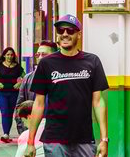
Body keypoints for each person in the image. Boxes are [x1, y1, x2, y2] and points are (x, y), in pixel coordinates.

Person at [25, 16, 109, 157]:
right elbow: (38, 104)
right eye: (60, 30)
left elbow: (98, 101)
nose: (65, 34)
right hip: (54, 139)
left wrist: (104, 139)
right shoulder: (46, 64)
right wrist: (30, 142)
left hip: (84, 139)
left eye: (70, 30)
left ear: (79, 34)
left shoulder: (92, 61)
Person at [15, 43, 55, 135]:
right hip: (33, 132)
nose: (40, 57)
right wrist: (24, 132)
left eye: (44, 54)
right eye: (38, 55)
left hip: (55, 134)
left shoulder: (61, 79)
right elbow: (20, 108)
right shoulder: (28, 78)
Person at [0, 49, 25, 142]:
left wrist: (19, 83)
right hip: (1, 93)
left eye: (11, 55)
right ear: (4, 55)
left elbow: (25, 76)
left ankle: (7, 133)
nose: (9, 57)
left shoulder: (17, 67)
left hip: (14, 93)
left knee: (10, 114)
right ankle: (5, 134)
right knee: (5, 112)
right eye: (8, 55)